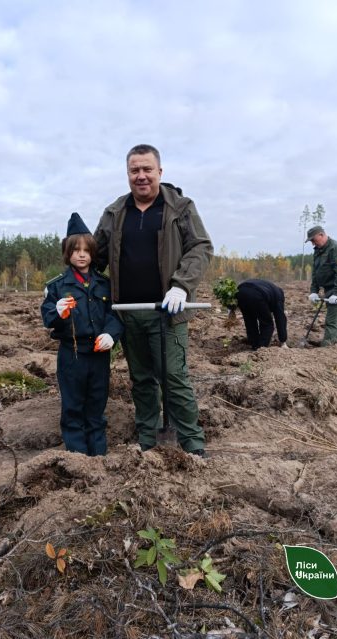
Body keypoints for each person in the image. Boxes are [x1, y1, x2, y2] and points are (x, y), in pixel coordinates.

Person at [94, 144, 213, 456]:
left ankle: (192, 443)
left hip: (168, 313)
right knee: (142, 380)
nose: (141, 176)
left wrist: (181, 286)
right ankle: (147, 438)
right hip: (128, 313)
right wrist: (66, 286)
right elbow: (93, 257)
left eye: (147, 169)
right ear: (128, 174)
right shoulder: (115, 213)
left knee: (174, 377)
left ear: (160, 171)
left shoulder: (180, 207)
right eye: (135, 170)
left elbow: (200, 247)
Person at [41, 213, 123, 456]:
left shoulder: (105, 284)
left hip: (98, 354)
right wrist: (57, 312)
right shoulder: (57, 286)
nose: (81, 254)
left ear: (93, 253)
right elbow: (48, 317)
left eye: (86, 250)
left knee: (97, 404)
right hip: (72, 355)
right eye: (76, 249)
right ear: (68, 252)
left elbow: (115, 315)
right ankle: (77, 457)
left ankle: (98, 455)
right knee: (73, 405)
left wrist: (111, 335)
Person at [306, 225, 337, 346]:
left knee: (332, 321)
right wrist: (314, 291)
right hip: (328, 289)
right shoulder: (318, 251)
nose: (313, 244)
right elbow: (316, 272)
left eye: (313, 240)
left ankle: (326, 348)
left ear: (321, 235)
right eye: (311, 241)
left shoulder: (336, 248)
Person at [236, 279, 288, 350]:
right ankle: (261, 349)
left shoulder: (271, 288)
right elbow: (280, 319)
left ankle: (253, 344)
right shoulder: (278, 296)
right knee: (267, 324)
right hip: (257, 294)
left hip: (240, 292)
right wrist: (283, 339)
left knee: (249, 320)